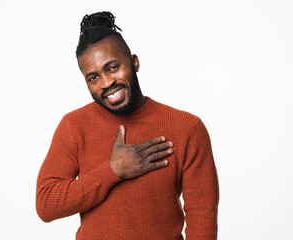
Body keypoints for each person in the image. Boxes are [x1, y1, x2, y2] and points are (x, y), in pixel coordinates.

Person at [36, 11, 219, 240]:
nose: (106, 83)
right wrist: (113, 171)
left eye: (112, 67)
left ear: (134, 62)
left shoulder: (187, 128)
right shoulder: (74, 126)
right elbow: (46, 203)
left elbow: (202, 215)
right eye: (93, 77)